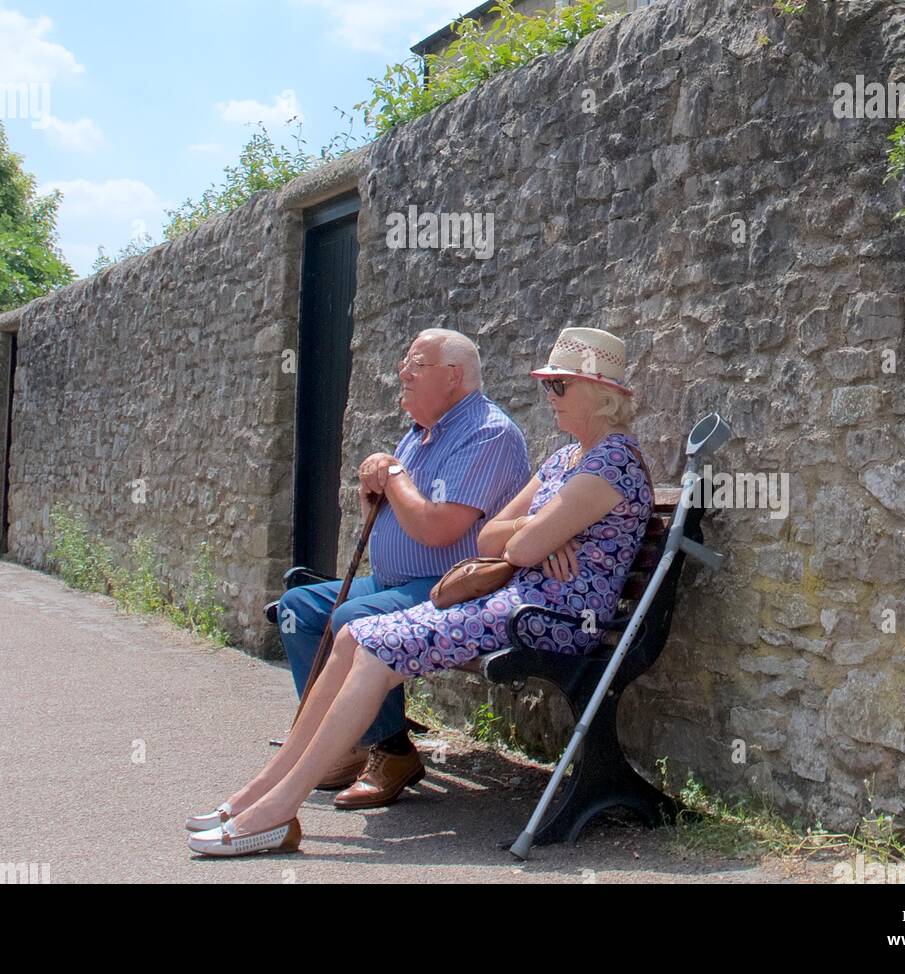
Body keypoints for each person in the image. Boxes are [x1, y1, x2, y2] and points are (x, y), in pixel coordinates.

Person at [185, 326, 653, 858]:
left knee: (374, 643)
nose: (548, 398)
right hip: (516, 602)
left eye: (558, 387)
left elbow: (514, 548)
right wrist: (542, 534)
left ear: (598, 393)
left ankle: (276, 811)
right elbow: (491, 535)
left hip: (553, 614)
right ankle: (260, 793)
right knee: (355, 635)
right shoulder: (563, 460)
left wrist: (533, 538)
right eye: (547, 386)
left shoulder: (612, 461)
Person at [265, 328, 529, 811]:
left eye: (416, 364)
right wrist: (374, 496)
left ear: (453, 376)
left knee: (356, 620)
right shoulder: (417, 435)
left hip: (451, 588)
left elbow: (439, 528)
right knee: (297, 607)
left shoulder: (488, 433)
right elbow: (395, 515)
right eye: (404, 363)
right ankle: (350, 743)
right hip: (394, 582)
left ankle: (392, 750)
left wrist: (392, 476)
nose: (401, 374)